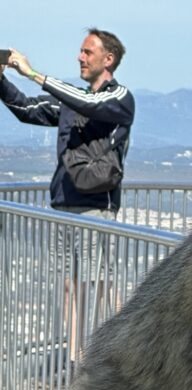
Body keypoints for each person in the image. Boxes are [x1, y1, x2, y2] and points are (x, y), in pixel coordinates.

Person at [0, 30, 134, 372]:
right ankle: (77, 362)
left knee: (97, 285)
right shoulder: (71, 101)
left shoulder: (119, 97)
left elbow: (90, 104)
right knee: (71, 287)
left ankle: (111, 360)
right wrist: (2, 82)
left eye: (88, 52)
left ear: (109, 59)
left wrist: (33, 74)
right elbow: (28, 109)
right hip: (64, 202)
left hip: (95, 205)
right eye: (80, 51)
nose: (80, 57)